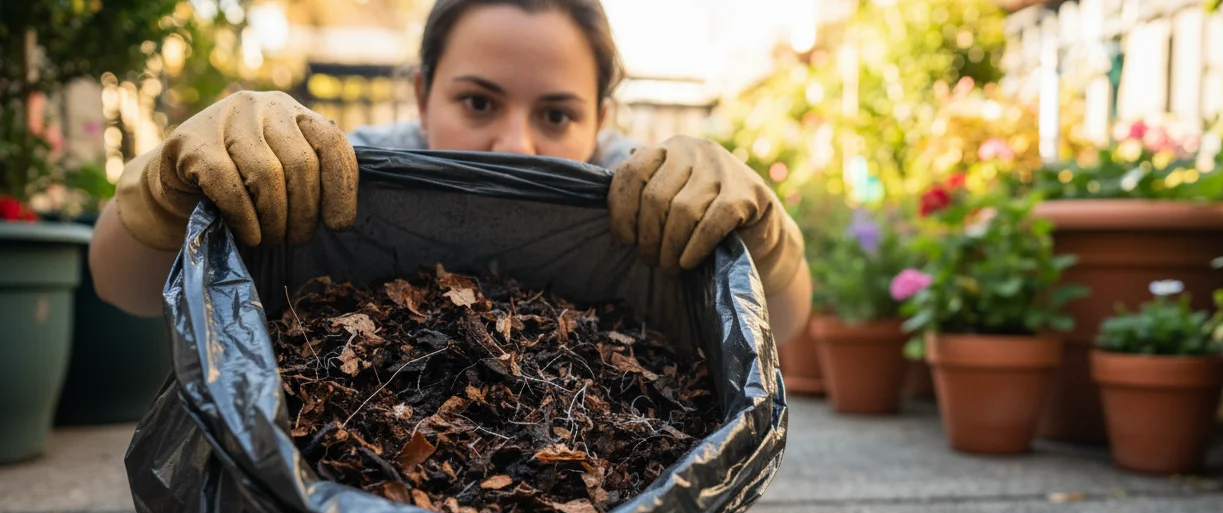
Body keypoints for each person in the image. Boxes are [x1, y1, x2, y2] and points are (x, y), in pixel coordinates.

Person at [89, 0, 811, 343]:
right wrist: (165, 190)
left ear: (602, 118)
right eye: (477, 101)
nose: (515, 146)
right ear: (421, 93)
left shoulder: (635, 188)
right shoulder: (352, 171)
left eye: (557, 115)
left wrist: (765, 239)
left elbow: (775, 330)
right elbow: (124, 288)